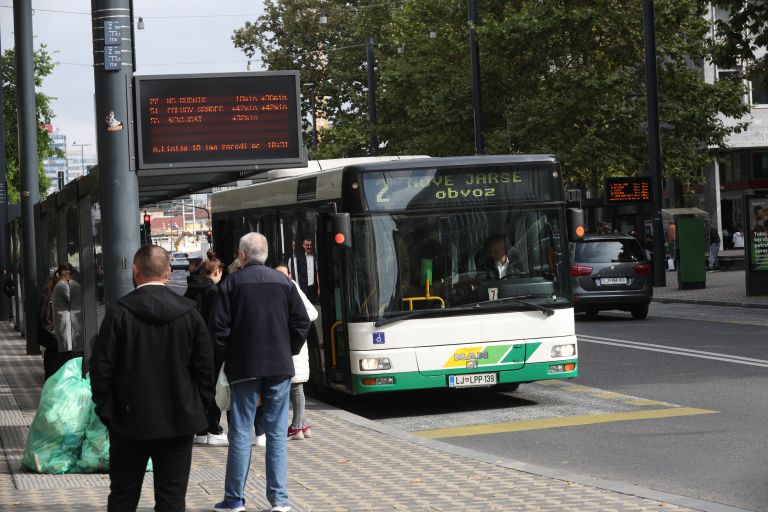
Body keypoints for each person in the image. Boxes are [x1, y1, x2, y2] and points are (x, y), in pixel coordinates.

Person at [89, 245, 214, 511]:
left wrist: (108, 412)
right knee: (171, 498)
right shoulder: (190, 314)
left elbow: (101, 369)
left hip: (127, 420)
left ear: (135, 272)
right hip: (179, 419)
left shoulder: (119, 314)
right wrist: (196, 408)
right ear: (167, 272)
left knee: (123, 496)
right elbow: (205, 370)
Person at [209, 232, 310, 512]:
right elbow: (302, 322)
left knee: (240, 432)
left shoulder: (232, 283)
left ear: (242, 255)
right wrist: (286, 348)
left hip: (244, 367)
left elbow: (217, 329)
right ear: (265, 255)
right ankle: (279, 500)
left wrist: (229, 356)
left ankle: (233, 500)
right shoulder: (283, 282)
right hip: (278, 367)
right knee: (277, 433)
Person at [186, 253, 228, 446]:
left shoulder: (191, 290)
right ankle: (213, 429)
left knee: (198, 388)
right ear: (217, 272)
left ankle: (200, 431)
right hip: (211, 347)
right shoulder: (214, 293)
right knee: (214, 388)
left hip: (192, 347)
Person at [274, 263, 318, 441]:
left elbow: (312, 312)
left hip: (295, 345)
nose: (281, 277)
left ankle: (297, 426)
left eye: (284, 274)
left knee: (296, 387)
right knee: (295, 387)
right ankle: (302, 425)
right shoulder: (282, 289)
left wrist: (293, 321)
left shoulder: (293, 288)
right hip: (290, 344)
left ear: (290, 275)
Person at [51, 263, 80, 365]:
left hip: (64, 324)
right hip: (65, 324)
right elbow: (72, 297)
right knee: (67, 355)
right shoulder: (62, 286)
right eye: (70, 272)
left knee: (66, 353)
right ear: (63, 272)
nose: (71, 275)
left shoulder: (59, 285)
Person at [288, 238, 319, 303]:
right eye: (307, 245)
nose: (309, 247)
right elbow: (295, 271)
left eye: (310, 245)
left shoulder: (316, 258)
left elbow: (317, 272)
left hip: (314, 288)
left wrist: (319, 287)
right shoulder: (299, 258)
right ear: (303, 246)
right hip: (303, 287)